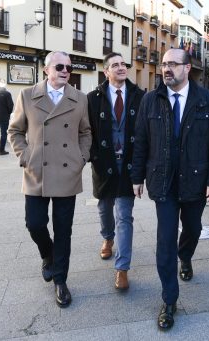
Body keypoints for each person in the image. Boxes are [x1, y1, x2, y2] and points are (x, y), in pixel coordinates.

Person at [131, 48, 209, 330]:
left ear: (188, 69)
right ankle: (169, 299)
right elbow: (140, 142)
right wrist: (137, 177)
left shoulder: (207, 101)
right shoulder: (151, 100)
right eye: (164, 64)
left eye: (173, 64)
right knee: (164, 241)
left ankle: (185, 256)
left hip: (196, 180)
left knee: (193, 228)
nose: (166, 69)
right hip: (162, 181)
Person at [8, 51, 92, 308]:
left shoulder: (79, 99)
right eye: (59, 66)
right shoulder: (27, 95)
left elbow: (85, 132)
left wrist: (82, 157)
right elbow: (15, 130)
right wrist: (26, 157)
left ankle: (60, 281)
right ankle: (48, 254)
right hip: (37, 171)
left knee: (63, 231)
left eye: (69, 67)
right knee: (34, 224)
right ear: (47, 70)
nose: (65, 71)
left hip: (67, 172)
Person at [87, 53, 145, 290]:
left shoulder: (140, 97)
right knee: (104, 208)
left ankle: (122, 268)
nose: (121, 68)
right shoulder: (92, 99)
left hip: (129, 165)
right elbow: (86, 130)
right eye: (115, 65)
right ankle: (107, 237)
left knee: (125, 215)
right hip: (103, 163)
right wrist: (92, 156)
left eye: (124, 64)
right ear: (106, 72)